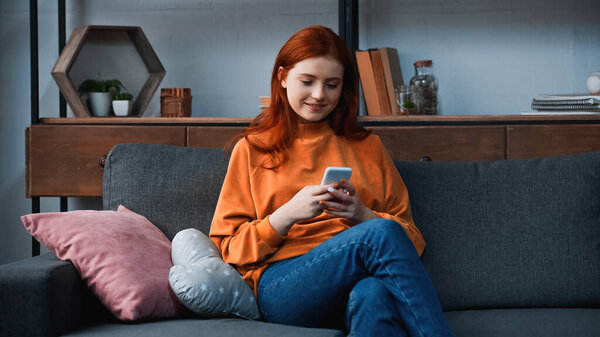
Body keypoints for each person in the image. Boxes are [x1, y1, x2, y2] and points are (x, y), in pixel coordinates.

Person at [209, 25, 454, 337]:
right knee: (377, 234)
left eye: (332, 85)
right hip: (284, 288)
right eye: (307, 81)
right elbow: (227, 248)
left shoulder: (367, 146)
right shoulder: (253, 149)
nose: (318, 95)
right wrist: (287, 215)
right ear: (283, 78)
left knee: (372, 294)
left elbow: (412, 240)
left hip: (356, 284)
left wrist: (361, 215)